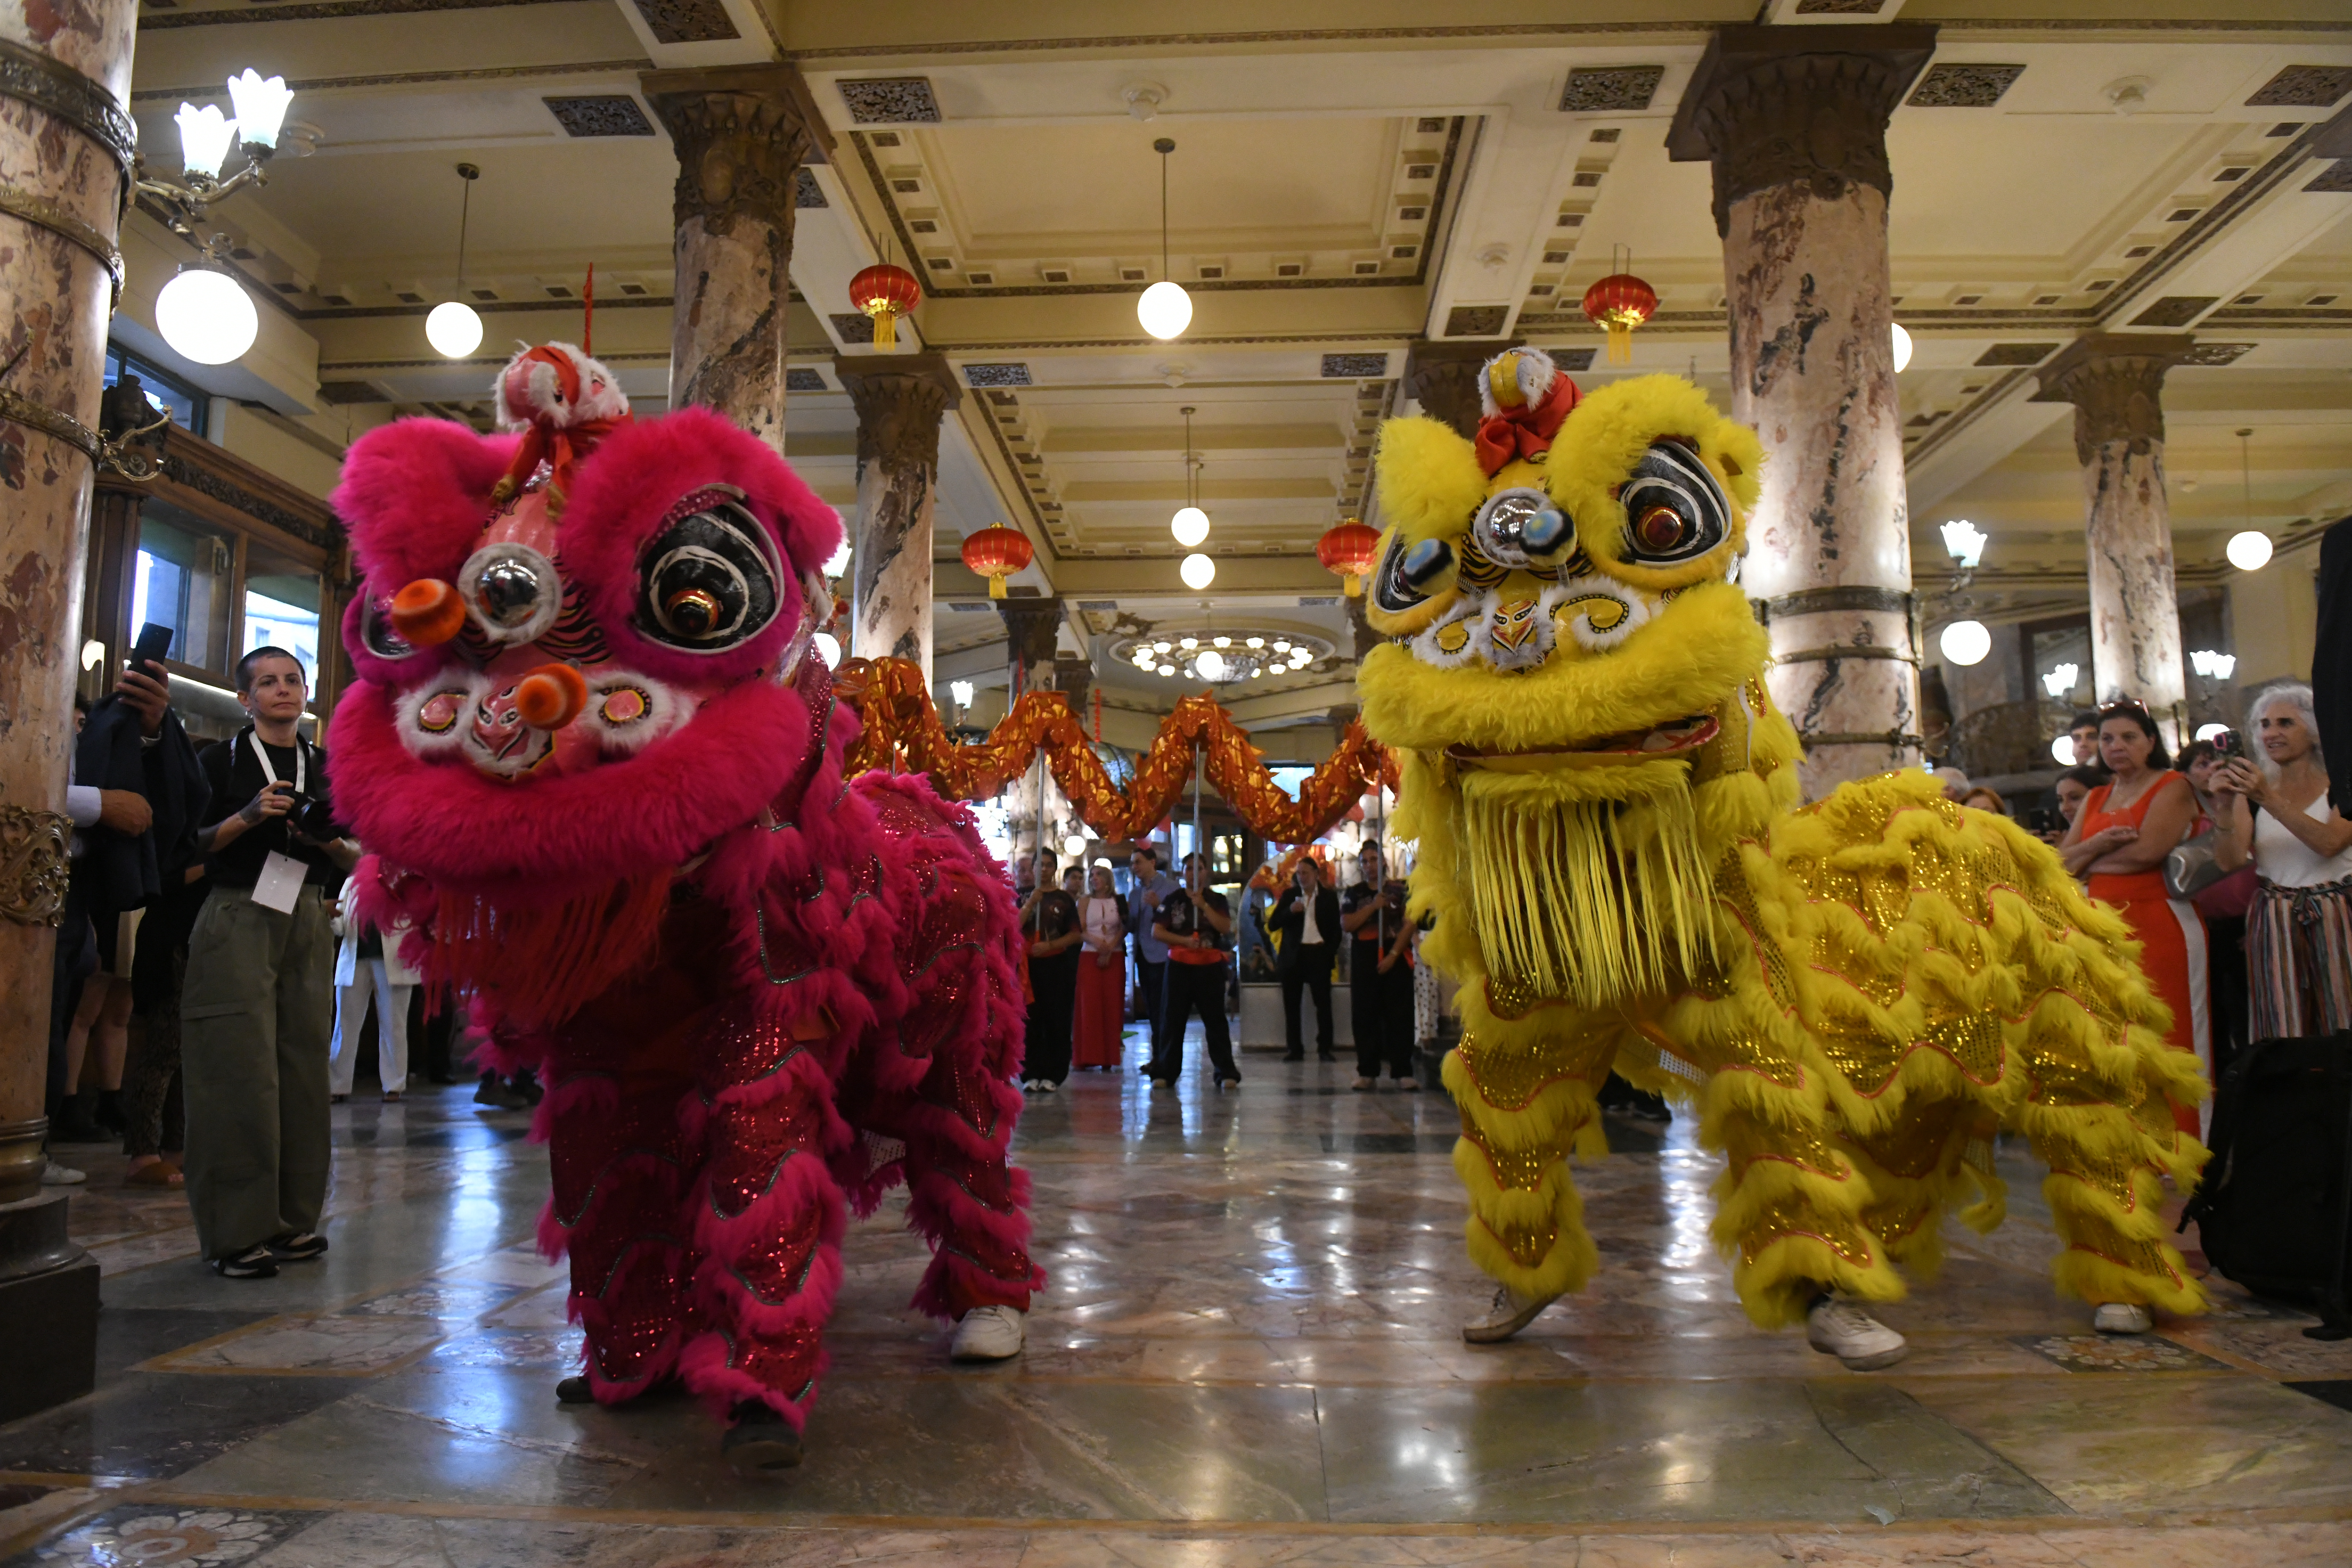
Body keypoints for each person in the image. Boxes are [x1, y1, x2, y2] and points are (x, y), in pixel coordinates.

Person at [182, 647, 359, 1280]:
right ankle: (236, 1232)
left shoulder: (330, 766)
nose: (283, 690)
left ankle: (291, 1220)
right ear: (245, 699)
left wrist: (325, 841)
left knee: (304, 1068)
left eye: (293, 680)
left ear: (307, 693)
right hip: (239, 910)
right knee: (237, 1068)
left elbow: (358, 856)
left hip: (307, 913)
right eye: (268, 682)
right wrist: (248, 816)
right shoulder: (218, 761)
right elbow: (187, 845)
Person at [2058, 700, 2208, 1166]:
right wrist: (2097, 843)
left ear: (2150, 742)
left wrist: (2089, 858)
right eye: (2107, 739)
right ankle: (2133, 1146)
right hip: (2102, 925)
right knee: (2117, 1036)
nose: (2116, 746)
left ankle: (2185, 1148)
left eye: (2128, 737)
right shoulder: (2096, 797)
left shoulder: (2173, 785)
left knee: (2172, 1032)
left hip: (2159, 919)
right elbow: (2061, 864)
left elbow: (2148, 853)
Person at [2212, 683, 2352, 1041]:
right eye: (2265, 724)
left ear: (2315, 730)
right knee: (2282, 1022)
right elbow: (2229, 861)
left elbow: (2330, 843)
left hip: (2338, 912)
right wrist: (2224, 807)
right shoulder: (2253, 793)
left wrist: (2267, 797)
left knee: (2343, 1016)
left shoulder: (2341, 784)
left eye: (2286, 723)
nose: (2271, 733)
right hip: (2275, 917)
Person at [2180, 737, 2257, 1081]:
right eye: (2202, 764)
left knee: (2247, 1012)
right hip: (2200, 924)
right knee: (2209, 1014)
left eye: (2218, 761)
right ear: (2184, 775)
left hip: (2243, 923)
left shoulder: (2246, 802)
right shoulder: (2180, 811)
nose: (2213, 768)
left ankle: (2253, 1082)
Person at [1146, 850, 1239, 1088]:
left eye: (1198, 869)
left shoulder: (1216, 900)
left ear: (1206, 872)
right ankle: (1166, 1071)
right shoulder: (1173, 899)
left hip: (1209, 967)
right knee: (1172, 1020)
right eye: (1189, 869)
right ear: (1183, 872)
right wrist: (1185, 942)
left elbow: (1225, 927)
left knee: (1216, 1021)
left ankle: (1225, 1071)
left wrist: (1204, 906)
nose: (1194, 873)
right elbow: (1157, 931)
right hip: (1180, 966)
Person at [328, 871, 419, 1103]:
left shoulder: (405, 878)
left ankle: (394, 1086)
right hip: (354, 959)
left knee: (394, 1025)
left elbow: (417, 918)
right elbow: (340, 927)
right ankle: (337, 1086)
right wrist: (331, 917)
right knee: (344, 1025)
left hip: (395, 960)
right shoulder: (352, 882)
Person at [1341, 841, 1417, 1090]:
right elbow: (1348, 924)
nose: (1370, 865)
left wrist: (1394, 956)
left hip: (1395, 952)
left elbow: (1410, 923)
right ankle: (1367, 1071)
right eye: (1365, 861)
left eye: (1374, 859)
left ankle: (1403, 1070)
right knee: (1365, 1015)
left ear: (1383, 861)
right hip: (1365, 955)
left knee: (1400, 1014)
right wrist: (1373, 907)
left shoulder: (1400, 889)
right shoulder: (1354, 893)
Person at [1018, 853, 1082, 1091]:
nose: (1044, 869)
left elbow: (1075, 934)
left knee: (1056, 1019)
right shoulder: (1021, 896)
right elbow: (1013, 926)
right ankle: (1030, 1072)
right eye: (1040, 865)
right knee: (1030, 1019)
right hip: (1028, 967)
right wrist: (1030, 904)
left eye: (1048, 865)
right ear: (1033, 868)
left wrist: (1050, 945)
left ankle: (1054, 1073)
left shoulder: (1064, 899)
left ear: (1055, 868)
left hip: (1056, 965)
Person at [1269, 855, 1340, 1062]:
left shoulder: (1328, 898)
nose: (1302, 877)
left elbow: (1336, 931)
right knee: (1292, 1005)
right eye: (1299, 873)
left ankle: (1325, 1048)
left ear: (1316, 874)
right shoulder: (1290, 896)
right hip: (1294, 955)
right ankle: (1295, 1049)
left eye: (1306, 873)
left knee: (1323, 1004)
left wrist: (1329, 953)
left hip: (1319, 953)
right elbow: (1273, 924)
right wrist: (1290, 912)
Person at [1072, 862, 1126, 1070]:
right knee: (1089, 1004)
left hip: (1115, 955)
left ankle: (1109, 1057)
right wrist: (1099, 945)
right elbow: (1080, 929)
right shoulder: (1084, 901)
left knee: (1112, 1004)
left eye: (1099, 875)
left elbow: (1124, 927)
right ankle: (1087, 1056)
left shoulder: (1119, 901)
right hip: (1090, 954)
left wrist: (1110, 948)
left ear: (1108, 879)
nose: (1094, 878)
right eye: (1092, 875)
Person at [1125, 843, 1177, 1054]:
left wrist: (1159, 906)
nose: (1134, 867)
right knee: (1151, 1008)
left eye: (1138, 862)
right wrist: (1124, 916)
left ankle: (1165, 1056)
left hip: (1163, 955)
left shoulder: (1171, 888)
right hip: (1142, 956)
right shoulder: (1135, 894)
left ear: (1152, 862)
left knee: (1164, 1008)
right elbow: (1132, 927)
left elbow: (1178, 920)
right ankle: (1157, 1056)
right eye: (1132, 864)